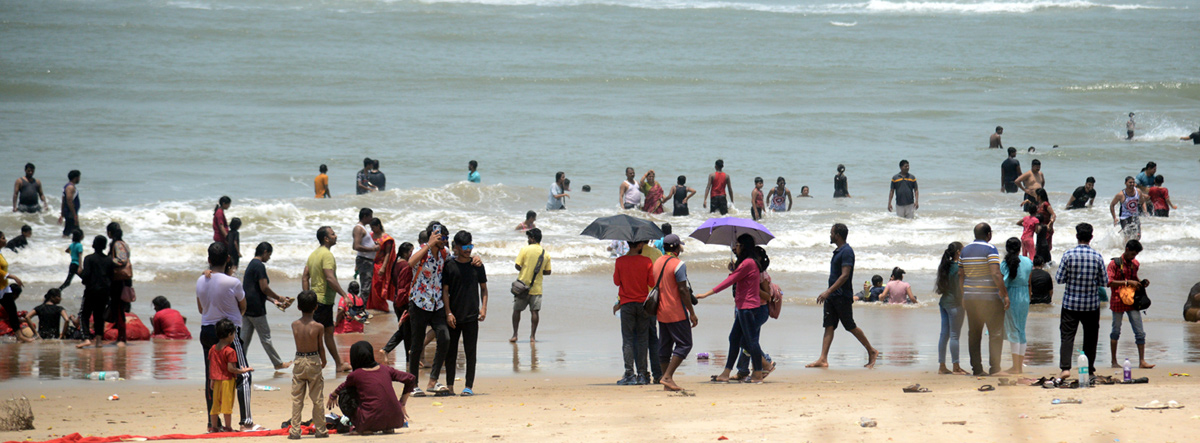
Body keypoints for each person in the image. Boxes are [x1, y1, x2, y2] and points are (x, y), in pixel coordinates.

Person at [197, 242, 259, 431]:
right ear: (228, 259)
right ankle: (246, 422)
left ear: (209, 260)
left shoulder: (200, 280)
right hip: (227, 333)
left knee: (212, 377)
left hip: (207, 330)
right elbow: (243, 306)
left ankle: (212, 424)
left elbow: (201, 308)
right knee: (244, 374)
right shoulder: (233, 282)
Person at [806, 224, 879, 369]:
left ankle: (871, 350)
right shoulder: (838, 251)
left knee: (849, 325)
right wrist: (829, 293)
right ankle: (823, 359)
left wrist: (828, 291)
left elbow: (845, 275)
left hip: (841, 296)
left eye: (831, 233)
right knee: (829, 326)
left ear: (837, 235)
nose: (830, 235)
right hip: (833, 295)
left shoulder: (847, 252)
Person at [697, 234, 766, 382]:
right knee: (734, 338)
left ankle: (758, 373)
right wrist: (735, 268)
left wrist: (707, 294)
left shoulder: (748, 263)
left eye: (738, 245)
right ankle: (726, 373)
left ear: (744, 246)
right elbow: (738, 278)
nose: (735, 247)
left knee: (751, 341)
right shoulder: (747, 263)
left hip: (747, 307)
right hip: (744, 307)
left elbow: (730, 281)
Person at [433, 230, 488, 396]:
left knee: (471, 352)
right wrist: (448, 313)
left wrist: (484, 308)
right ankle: (450, 386)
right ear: (456, 247)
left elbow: (484, 289)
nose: (468, 250)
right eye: (464, 246)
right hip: (454, 317)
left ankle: (468, 386)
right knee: (452, 352)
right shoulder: (450, 265)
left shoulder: (477, 266)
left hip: (472, 315)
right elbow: (445, 291)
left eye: (470, 246)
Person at [327, 341, 416, 435]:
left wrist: (333, 395)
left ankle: (363, 428)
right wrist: (402, 403)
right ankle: (388, 428)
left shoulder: (355, 375)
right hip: (396, 420)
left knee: (345, 392)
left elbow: (343, 386)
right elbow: (411, 378)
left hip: (369, 421)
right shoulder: (386, 369)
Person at [1055, 223, 1107, 379]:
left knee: (1067, 336)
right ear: (1091, 238)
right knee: (1090, 338)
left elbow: (1059, 279)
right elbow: (1104, 281)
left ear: (1077, 236)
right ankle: (1089, 369)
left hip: (1070, 303)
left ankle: (1065, 368)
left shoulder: (1068, 255)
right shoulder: (1097, 256)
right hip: (1091, 305)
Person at [407, 222, 453, 395]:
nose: (445, 241)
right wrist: (429, 245)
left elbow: (456, 260)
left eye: (446, 238)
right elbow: (410, 263)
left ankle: (433, 381)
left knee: (445, 337)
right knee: (417, 344)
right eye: (442, 238)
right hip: (419, 302)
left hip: (437, 303)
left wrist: (475, 260)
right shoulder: (421, 251)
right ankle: (413, 384)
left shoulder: (444, 253)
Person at [960, 223, 1010, 376]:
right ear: (989, 234)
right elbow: (995, 274)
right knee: (995, 333)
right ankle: (995, 368)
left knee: (974, 334)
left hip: (970, 298)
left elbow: (960, 275)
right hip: (989, 299)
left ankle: (977, 369)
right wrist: (1005, 294)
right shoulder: (990, 249)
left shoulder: (964, 250)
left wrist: (963, 295)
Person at [301, 226, 351, 373]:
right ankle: (312, 366)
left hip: (317, 301)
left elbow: (305, 276)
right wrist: (344, 295)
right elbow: (330, 277)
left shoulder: (313, 254)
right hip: (322, 301)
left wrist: (307, 296)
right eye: (333, 234)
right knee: (317, 335)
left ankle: (338, 364)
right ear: (326, 239)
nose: (336, 236)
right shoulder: (327, 255)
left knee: (328, 332)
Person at [652, 234, 696, 391]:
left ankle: (666, 382)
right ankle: (668, 377)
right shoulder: (679, 264)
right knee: (685, 344)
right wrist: (692, 312)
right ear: (677, 247)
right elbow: (683, 290)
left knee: (665, 346)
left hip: (661, 310)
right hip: (676, 310)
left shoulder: (657, 262)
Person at [241, 242, 291, 370]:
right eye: (269, 254)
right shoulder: (259, 266)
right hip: (257, 309)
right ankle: (278, 363)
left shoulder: (251, 265)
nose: (269, 257)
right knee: (265, 338)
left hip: (247, 307)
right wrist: (278, 297)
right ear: (264, 252)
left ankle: (239, 363)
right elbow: (264, 287)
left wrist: (272, 300)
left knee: (244, 339)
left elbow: (254, 289)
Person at [613, 240, 656, 386]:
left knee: (628, 340)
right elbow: (651, 282)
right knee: (643, 339)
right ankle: (642, 374)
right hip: (642, 304)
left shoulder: (620, 261)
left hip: (626, 304)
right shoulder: (647, 261)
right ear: (638, 245)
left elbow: (616, 282)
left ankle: (629, 373)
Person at [1107, 240, 1154, 370]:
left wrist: (1141, 282)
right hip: (1117, 300)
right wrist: (1128, 283)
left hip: (1132, 301)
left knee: (1140, 332)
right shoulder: (1114, 264)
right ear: (1126, 249)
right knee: (1115, 331)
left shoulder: (1135, 264)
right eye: (1132, 254)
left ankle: (1142, 361)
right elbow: (1109, 282)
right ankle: (1114, 361)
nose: (1134, 257)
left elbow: (1135, 278)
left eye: (1136, 255)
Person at [288, 290, 327, 440]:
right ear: (316, 307)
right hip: (313, 359)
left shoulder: (294, 325)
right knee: (317, 397)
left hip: (299, 360)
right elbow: (320, 346)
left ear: (298, 307)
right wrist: (324, 361)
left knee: (297, 398)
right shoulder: (318, 327)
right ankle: (320, 429)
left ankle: (295, 430)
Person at [209, 319, 253, 433]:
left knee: (215, 406)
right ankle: (228, 427)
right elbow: (231, 369)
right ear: (229, 334)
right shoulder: (230, 351)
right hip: (227, 381)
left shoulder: (213, 349)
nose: (234, 336)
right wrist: (244, 370)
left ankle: (214, 427)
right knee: (227, 406)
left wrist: (212, 380)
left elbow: (212, 366)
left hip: (216, 381)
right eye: (234, 334)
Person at [512, 228, 550, 343]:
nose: (528, 240)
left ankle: (515, 335)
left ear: (532, 238)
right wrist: (537, 272)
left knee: (517, 310)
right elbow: (548, 272)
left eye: (529, 237)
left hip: (522, 286)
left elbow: (517, 266)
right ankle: (532, 337)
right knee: (535, 312)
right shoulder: (545, 253)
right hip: (537, 288)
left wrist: (526, 269)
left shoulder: (524, 250)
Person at [1000, 237, 1032, 374]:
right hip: (1024, 295)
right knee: (1021, 330)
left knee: (1013, 330)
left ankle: (1016, 367)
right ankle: (1019, 365)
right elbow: (1029, 282)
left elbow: (1001, 283)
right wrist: (1029, 297)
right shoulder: (1028, 261)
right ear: (1020, 248)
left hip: (1011, 295)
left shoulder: (1004, 263)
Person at [935, 242, 966, 375]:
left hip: (944, 302)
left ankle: (942, 366)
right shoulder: (959, 267)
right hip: (955, 303)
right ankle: (956, 366)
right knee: (954, 335)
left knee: (944, 334)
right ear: (958, 252)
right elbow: (960, 288)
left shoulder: (945, 266)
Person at [75, 235, 110, 348]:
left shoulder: (89, 259)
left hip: (91, 291)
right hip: (104, 292)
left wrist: (79, 273)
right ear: (104, 246)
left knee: (84, 315)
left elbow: (86, 276)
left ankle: (86, 338)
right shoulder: (108, 260)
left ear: (93, 245)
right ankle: (99, 341)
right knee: (99, 316)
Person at [106, 223, 131, 347]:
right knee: (118, 308)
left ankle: (122, 338)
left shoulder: (117, 244)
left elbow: (122, 260)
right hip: (122, 281)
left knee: (119, 308)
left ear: (110, 233)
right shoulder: (123, 243)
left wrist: (107, 261)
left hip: (118, 281)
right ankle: (121, 337)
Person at [367, 218, 396, 312]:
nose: (372, 229)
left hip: (380, 264)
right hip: (371, 263)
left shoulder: (386, 239)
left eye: (373, 227)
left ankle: (382, 308)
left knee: (378, 287)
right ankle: (372, 307)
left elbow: (388, 253)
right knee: (370, 287)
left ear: (378, 226)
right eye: (371, 227)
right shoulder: (371, 235)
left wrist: (383, 267)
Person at [1109, 176, 1147, 243]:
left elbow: (1142, 201)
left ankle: (1134, 249)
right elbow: (1112, 205)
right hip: (1124, 217)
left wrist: (1145, 211)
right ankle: (1125, 249)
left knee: (1138, 236)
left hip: (1135, 216)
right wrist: (1114, 218)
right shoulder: (1121, 195)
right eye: (1130, 182)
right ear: (1125, 183)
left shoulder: (1138, 191)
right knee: (1128, 236)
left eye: (1133, 182)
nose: (1132, 184)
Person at [352, 208, 378, 301]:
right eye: (370, 216)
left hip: (366, 260)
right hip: (364, 261)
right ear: (365, 216)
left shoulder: (363, 228)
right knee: (365, 289)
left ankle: (360, 308)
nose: (371, 218)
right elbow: (356, 246)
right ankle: (360, 309)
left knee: (366, 287)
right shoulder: (358, 228)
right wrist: (372, 249)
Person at [59, 170, 81, 236]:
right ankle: (64, 244)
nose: (79, 179)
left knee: (74, 232)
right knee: (70, 232)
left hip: (69, 212)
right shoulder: (70, 187)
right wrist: (74, 215)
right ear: (75, 178)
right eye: (79, 177)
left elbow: (63, 201)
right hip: (70, 213)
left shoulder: (67, 186)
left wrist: (62, 214)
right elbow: (69, 201)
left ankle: (66, 244)